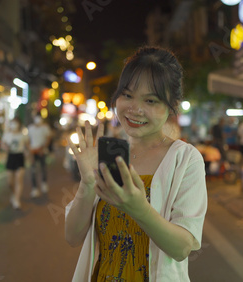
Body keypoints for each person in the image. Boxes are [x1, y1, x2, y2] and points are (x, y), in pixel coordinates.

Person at [65, 46, 207, 281]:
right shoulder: (108, 154)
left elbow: (182, 248)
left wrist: (139, 209)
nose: (135, 109)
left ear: (172, 105)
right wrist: (88, 182)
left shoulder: (185, 159)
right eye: (128, 95)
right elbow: (72, 237)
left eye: (150, 100)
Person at [1, 117, 29, 209]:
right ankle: (14, 194)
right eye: (13, 123)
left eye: (16, 123)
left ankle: (17, 199)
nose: (14, 125)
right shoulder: (7, 134)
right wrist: (5, 147)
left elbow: (28, 144)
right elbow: (2, 144)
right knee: (10, 182)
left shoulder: (23, 135)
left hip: (19, 157)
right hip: (11, 157)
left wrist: (28, 154)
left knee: (19, 178)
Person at [27, 113, 52, 197]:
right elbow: (28, 140)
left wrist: (42, 148)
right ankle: (34, 188)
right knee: (33, 170)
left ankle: (44, 183)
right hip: (33, 151)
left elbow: (48, 139)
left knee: (43, 168)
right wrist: (30, 151)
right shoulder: (30, 128)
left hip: (42, 151)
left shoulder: (45, 128)